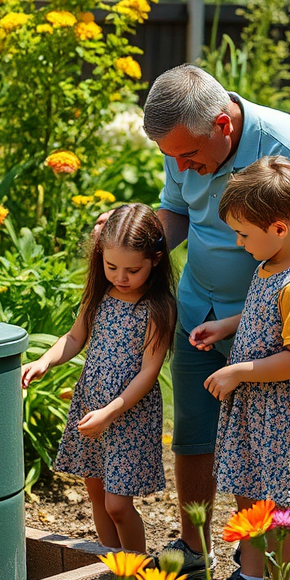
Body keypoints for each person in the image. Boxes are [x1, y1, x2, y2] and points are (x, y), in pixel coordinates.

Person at [98, 64, 290, 573]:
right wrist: (132, 245)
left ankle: (263, 566)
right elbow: (176, 212)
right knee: (193, 430)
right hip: (199, 310)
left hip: (268, 325)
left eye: (188, 156)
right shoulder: (182, 145)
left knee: (258, 449)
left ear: (223, 125)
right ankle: (195, 546)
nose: (181, 168)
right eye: (171, 159)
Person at [186, 155, 290, 580]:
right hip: (258, 413)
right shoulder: (274, 259)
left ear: (277, 227)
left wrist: (239, 371)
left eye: (243, 234)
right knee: (250, 499)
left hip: (280, 416)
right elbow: (262, 316)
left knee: (281, 515)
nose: (237, 242)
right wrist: (227, 325)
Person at [21, 203, 177, 553]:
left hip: (127, 414)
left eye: (132, 270)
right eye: (111, 267)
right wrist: (45, 361)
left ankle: (135, 571)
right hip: (91, 405)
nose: (120, 277)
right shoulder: (100, 293)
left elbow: (148, 372)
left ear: (155, 259)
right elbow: (75, 337)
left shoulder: (157, 307)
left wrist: (111, 412)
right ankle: (108, 568)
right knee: (96, 492)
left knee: (118, 504)